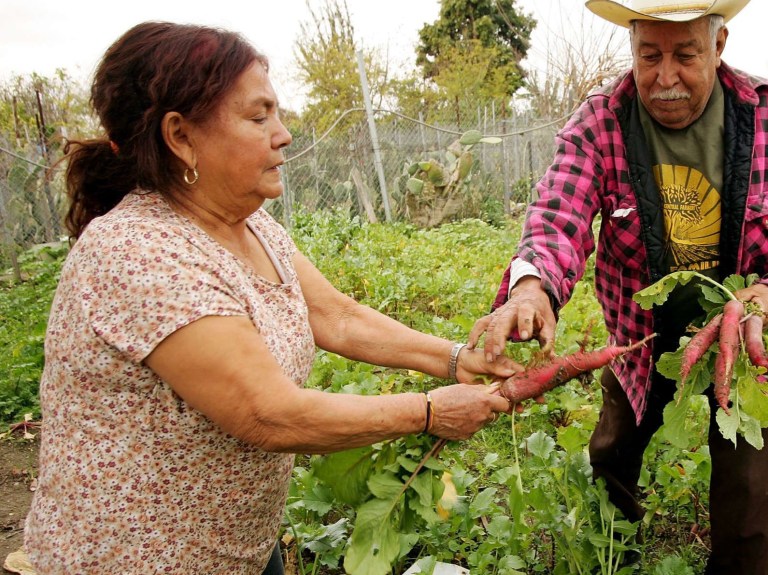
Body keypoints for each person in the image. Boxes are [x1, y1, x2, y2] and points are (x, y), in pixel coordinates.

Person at [22, 21, 520, 575]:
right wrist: (430, 412)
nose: (283, 134)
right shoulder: (141, 252)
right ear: (180, 136)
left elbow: (339, 317)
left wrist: (457, 359)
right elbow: (267, 414)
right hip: (131, 557)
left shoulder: (248, 224)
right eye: (259, 117)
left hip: (236, 549)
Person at [469, 0, 768, 573]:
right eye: (649, 55)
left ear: (719, 47)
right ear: (632, 47)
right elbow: (559, 215)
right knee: (611, 454)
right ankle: (613, 553)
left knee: (750, 500)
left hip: (749, 347)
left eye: (684, 56)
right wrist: (532, 289)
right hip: (641, 338)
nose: (664, 77)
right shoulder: (600, 124)